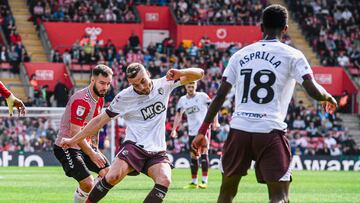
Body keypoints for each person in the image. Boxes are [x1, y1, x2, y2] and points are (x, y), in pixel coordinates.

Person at [191, 4, 338, 203]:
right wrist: (327, 96)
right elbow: (312, 90)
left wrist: (203, 130)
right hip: (270, 130)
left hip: (239, 129)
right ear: (285, 29)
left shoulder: (239, 55)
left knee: (226, 193)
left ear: (261, 26)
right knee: (279, 196)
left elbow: (219, 97)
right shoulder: (293, 55)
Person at [60, 62, 204, 203]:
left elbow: (200, 74)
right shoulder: (124, 97)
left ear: (148, 74)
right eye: (135, 85)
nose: (141, 87)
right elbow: (99, 121)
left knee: (164, 180)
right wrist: (73, 140)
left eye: (143, 81)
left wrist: (182, 72)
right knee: (112, 176)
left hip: (157, 151)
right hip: (134, 147)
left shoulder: (164, 83)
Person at [53, 64, 113, 203]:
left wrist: (95, 148)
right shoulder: (82, 100)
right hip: (67, 146)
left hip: (84, 145)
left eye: (108, 83)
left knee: (107, 174)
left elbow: (95, 125)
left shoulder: (100, 98)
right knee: (88, 183)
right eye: (102, 83)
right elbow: (75, 133)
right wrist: (92, 154)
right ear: (93, 80)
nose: (105, 87)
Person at [170, 81, 219, 189]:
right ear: (186, 87)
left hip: (204, 130)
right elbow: (178, 115)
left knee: (204, 153)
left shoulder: (203, 96)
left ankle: (204, 181)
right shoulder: (182, 100)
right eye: (189, 86)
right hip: (192, 131)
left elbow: (213, 109)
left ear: (196, 86)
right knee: (193, 156)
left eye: (193, 86)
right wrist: (174, 129)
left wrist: (216, 122)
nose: (191, 88)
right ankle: (193, 182)